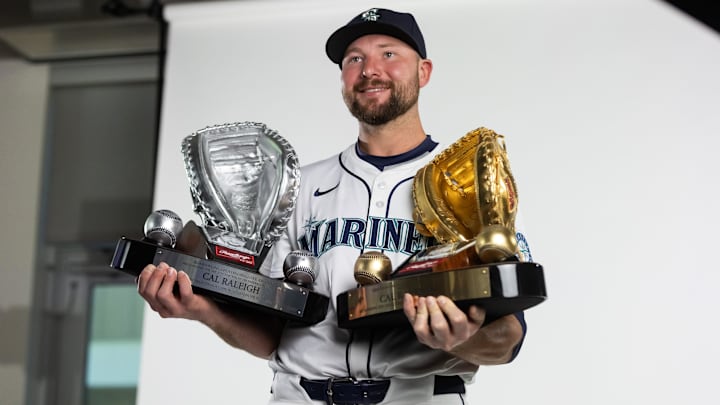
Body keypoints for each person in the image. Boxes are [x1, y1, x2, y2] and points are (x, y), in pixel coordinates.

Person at [138, 8, 529, 404]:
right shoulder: (298, 187)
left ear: (423, 71)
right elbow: (273, 335)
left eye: (388, 54)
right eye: (354, 59)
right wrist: (202, 309)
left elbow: (509, 337)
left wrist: (466, 338)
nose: (370, 69)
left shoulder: (462, 185)